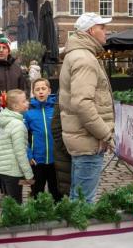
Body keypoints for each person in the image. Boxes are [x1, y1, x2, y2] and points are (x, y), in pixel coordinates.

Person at [59, 12, 115, 203]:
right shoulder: (84, 58)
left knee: (78, 198)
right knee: (84, 203)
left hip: (82, 138)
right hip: (88, 141)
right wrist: (105, 134)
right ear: (91, 30)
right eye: (102, 27)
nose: (106, 31)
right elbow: (82, 103)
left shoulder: (79, 54)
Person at [0, 36, 26, 206]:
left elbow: (24, 91)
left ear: (9, 50)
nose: (1, 50)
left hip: (15, 118)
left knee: (11, 156)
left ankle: (8, 189)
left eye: (4, 47)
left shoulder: (17, 68)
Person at [24, 78, 61, 201]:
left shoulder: (56, 110)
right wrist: (29, 155)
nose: (41, 92)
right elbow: (24, 137)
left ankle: (58, 215)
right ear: (33, 92)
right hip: (37, 161)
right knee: (37, 191)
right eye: (37, 89)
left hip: (54, 159)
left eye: (43, 89)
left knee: (56, 191)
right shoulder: (28, 113)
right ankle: (38, 214)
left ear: (49, 90)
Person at [0, 89, 34, 204]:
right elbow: (20, 152)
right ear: (16, 106)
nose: (27, 103)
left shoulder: (6, 120)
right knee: (15, 204)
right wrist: (28, 174)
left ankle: (5, 220)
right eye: (24, 101)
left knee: (9, 202)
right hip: (13, 171)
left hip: (3, 169)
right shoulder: (17, 125)